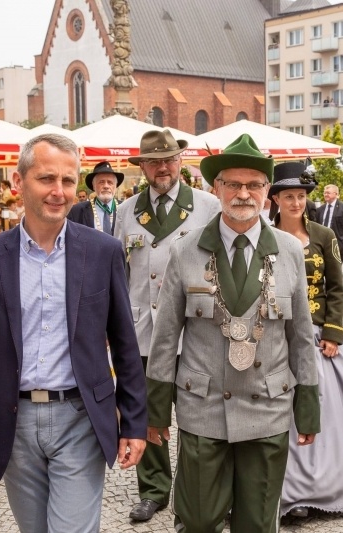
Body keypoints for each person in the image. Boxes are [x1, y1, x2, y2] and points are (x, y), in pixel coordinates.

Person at [0, 133, 147, 532]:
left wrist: (135, 421)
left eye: (68, 181)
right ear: (19, 182)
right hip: (11, 421)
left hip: (81, 417)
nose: (59, 191)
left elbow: (125, 341)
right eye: (46, 179)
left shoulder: (102, 251)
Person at [146, 134, 320, 533]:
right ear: (216, 188)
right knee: (198, 519)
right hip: (203, 408)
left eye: (255, 185)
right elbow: (166, 336)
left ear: (267, 194)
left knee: (258, 522)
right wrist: (155, 410)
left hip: (268, 409)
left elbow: (301, 338)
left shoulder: (290, 251)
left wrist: (308, 407)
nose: (244, 194)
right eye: (233, 184)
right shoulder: (186, 250)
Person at [115, 129, 220, 522]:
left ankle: (199, 489)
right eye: (154, 161)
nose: (163, 167)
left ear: (181, 162)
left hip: (196, 330)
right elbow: (118, 273)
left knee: (200, 414)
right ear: (142, 167)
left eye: (170, 159)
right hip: (143, 330)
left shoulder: (208, 206)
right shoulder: (127, 212)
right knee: (145, 413)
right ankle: (154, 488)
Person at [269, 161, 343, 518]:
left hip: (319, 338)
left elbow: (337, 287)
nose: (296, 203)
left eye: (301, 196)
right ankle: (286, 490)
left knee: (327, 412)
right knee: (281, 414)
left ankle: (321, 488)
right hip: (276, 337)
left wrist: (333, 331)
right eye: (288, 196)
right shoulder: (264, 236)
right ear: (275, 199)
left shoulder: (323, 236)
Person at [67, 161, 124, 235]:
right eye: (101, 182)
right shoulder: (77, 211)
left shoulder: (125, 209)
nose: (106, 186)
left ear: (115, 186)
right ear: (93, 186)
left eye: (110, 182)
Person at [314, 184, 343, 253]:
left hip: (338, 244)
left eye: (328, 193)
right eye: (325, 193)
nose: (326, 195)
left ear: (336, 194)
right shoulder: (320, 209)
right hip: (322, 243)